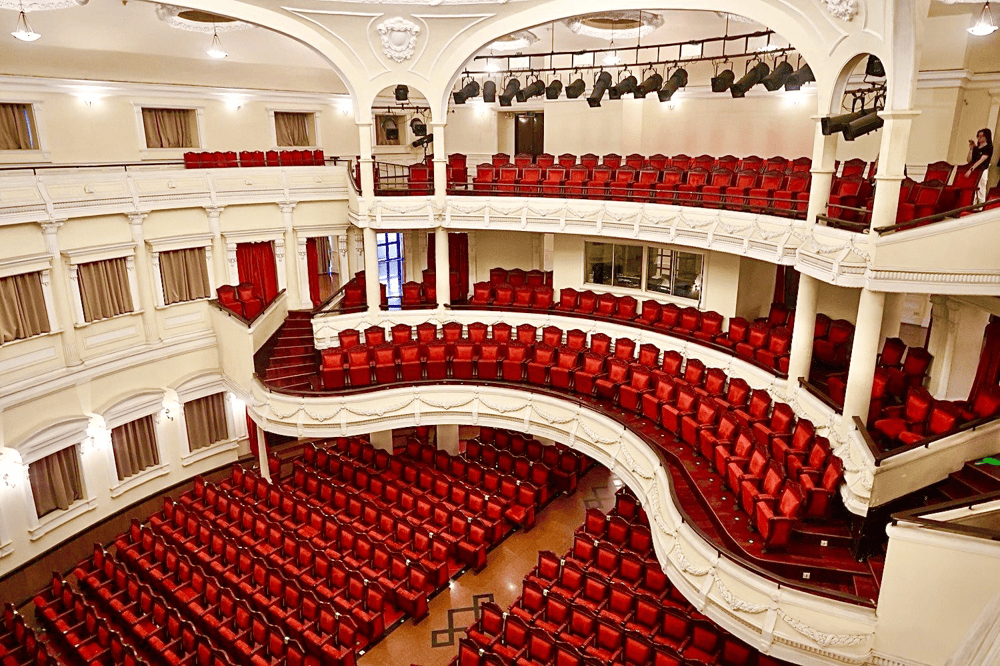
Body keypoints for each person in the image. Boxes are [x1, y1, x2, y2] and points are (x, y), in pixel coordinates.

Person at [966, 128, 993, 204]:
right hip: (974, 170)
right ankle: (972, 204)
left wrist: (971, 169)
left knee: (981, 188)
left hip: (982, 169)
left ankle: (981, 205)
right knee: (973, 189)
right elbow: (969, 160)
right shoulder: (976, 148)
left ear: (986, 137)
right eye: (978, 136)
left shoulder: (988, 147)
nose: (979, 138)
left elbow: (982, 160)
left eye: (982, 136)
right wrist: (971, 149)